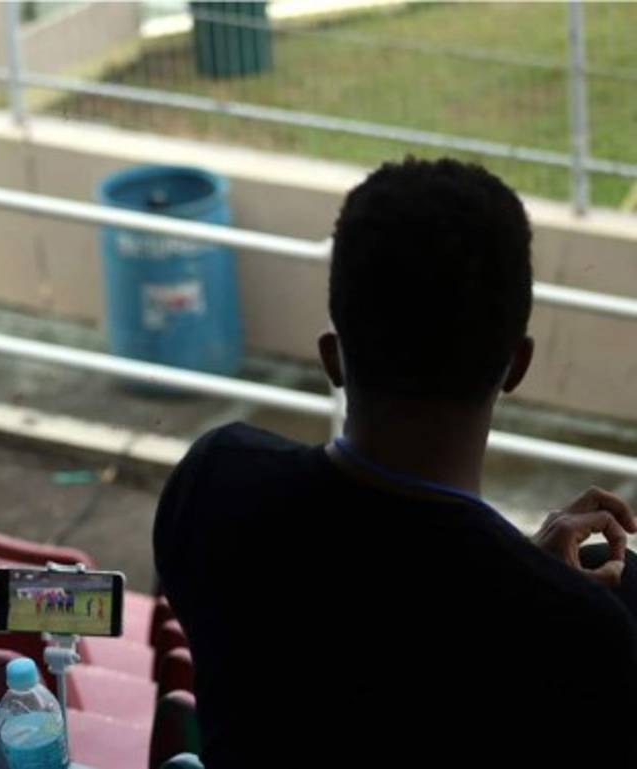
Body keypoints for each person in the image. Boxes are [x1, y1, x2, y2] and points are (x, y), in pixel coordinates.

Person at [153, 158, 637, 767]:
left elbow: (378, 611)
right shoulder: (579, 638)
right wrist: (527, 581)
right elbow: (439, 616)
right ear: (517, 365)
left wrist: (518, 573)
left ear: (333, 359)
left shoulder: (214, 485)